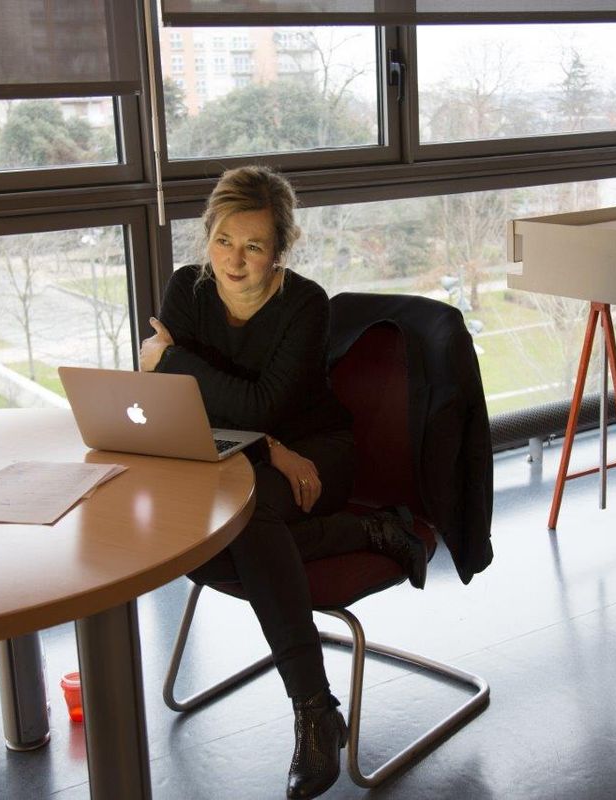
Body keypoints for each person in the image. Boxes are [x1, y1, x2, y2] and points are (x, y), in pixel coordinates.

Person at [140, 165, 427, 799]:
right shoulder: (185, 289)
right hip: (259, 455)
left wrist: (177, 363)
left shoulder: (305, 303)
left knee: (245, 521)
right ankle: (368, 530)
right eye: (223, 241)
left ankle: (313, 708)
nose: (234, 262)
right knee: (216, 527)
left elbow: (263, 402)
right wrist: (267, 448)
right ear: (206, 235)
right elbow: (200, 408)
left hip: (317, 454)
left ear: (280, 252)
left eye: (254, 247)